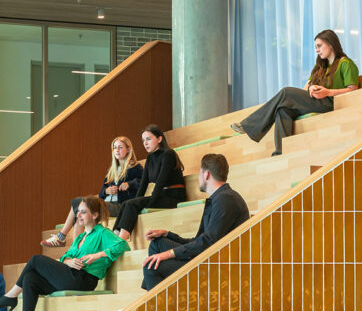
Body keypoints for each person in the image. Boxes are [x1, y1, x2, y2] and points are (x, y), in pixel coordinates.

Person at [0, 197, 129, 311]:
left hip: (83, 279)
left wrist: (98, 255)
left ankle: (10, 296)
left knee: (36, 259)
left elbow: (122, 245)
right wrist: (68, 262)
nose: (78, 215)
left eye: (83, 212)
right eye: (78, 212)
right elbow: (65, 256)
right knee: (30, 278)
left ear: (94, 215)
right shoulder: (81, 237)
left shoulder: (102, 233)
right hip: (71, 275)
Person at [231, 29, 359, 155]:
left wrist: (328, 92)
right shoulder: (320, 67)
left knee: (286, 92)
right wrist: (310, 88)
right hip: (316, 102)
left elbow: (353, 90)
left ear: (331, 44)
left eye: (319, 46)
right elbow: (305, 89)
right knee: (282, 110)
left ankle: (250, 125)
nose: (317, 50)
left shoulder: (346, 64)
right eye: (315, 47)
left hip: (330, 104)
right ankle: (281, 153)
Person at [141, 153, 250, 290]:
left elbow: (209, 242)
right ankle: (168, 299)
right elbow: (199, 240)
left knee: (151, 267)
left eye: (200, 174)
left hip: (216, 266)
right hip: (207, 257)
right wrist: (167, 234)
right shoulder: (219, 198)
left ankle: (161, 308)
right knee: (157, 243)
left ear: (206, 174)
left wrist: (169, 253)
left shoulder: (225, 199)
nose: (198, 178)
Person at [41, 136, 143, 247]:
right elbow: (101, 193)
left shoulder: (135, 167)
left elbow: (143, 182)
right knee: (78, 209)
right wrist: (107, 191)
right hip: (107, 203)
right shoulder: (111, 169)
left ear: (128, 149)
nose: (117, 150)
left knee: (80, 203)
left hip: (120, 206)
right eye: (115, 148)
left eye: (120, 147)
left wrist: (129, 184)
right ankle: (75, 246)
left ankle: (62, 238)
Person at [112, 125, 186, 241]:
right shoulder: (150, 158)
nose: (145, 143)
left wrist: (149, 203)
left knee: (132, 204)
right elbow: (143, 185)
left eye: (148, 139)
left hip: (174, 196)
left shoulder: (168, 154)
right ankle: (115, 235)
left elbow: (161, 182)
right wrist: (135, 201)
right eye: (143, 140)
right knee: (128, 203)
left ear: (159, 139)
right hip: (162, 195)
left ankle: (121, 241)